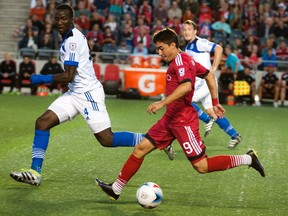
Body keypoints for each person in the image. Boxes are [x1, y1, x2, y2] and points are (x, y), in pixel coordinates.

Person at [96, 28, 265, 201]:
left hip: (184, 121)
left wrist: (162, 102)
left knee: (202, 166)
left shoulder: (181, 62)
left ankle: (248, 159)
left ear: (173, 45)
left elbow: (186, 86)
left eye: (162, 48)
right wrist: (214, 103)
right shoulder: (185, 59)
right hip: (170, 119)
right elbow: (209, 76)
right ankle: (116, 189)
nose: (159, 52)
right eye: (157, 49)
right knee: (140, 149)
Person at [10, 4, 144, 186]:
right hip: (75, 93)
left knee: (107, 139)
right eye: (57, 18)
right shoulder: (68, 37)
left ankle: (152, 139)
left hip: (88, 94)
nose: (60, 22)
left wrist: (40, 78)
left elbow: (68, 75)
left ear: (72, 20)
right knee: (42, 122)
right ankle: (35, 172)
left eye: (64, 18)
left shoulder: (72, 40)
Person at [182, 20, 242, 148]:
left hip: (205, 82)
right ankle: (234, 135)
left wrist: (213, 69)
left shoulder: (199, 42)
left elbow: (219, 48)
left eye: (189, 29)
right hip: (202, 83)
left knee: (185, 101)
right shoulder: (188, 48)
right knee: (212, 111)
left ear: (195, 31)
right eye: (184, 29)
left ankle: (207, 120)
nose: (186, 32)